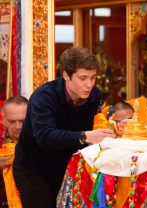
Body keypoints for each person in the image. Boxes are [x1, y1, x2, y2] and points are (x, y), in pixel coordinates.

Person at [13, 47, 115, 208]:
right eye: (83, 78)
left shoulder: (95, 96)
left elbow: (98, 124)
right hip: (34, 170)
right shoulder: (43, 97)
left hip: (68, 168)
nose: (89, 84)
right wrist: (85, 136)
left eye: (93, 77)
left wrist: (112, 127)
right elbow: (45, 138)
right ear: (66, 75)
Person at [0, 96, 28, 207]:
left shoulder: (43, 144)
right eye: (12, 121)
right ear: (3, 120)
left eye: (22, 121)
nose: (18, 126)